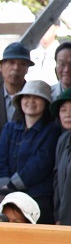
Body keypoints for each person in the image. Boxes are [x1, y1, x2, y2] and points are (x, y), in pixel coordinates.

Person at [0, 80, 62, 223]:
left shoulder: (53, 130)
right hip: (7, 193)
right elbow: (1, 159)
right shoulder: (10, 127)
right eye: (26, 97)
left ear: (46, 103)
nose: (31, 101)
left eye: (37, 98)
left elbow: (42, 163)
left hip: (38, 195)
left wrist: (12, 185)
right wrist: (3, 185)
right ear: (20, 101)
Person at [0, 42, 31, 175]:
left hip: (26, 177)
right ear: (1, 67)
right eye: (11, 62)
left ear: (27, 69)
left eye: (22, 64)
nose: (16, 68)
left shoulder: (35, 101)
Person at [53, 88, 71, 225]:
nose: (68, 115)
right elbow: (56, 177)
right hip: (64, 218)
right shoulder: (63, 139)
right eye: (63, 110)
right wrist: (58, 215)